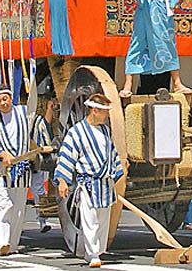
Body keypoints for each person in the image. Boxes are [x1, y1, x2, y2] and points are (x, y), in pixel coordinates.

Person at [54, 93, 124, 268]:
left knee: (102, 220)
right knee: (90, 219)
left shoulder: (106, 130)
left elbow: (112, 152)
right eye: (105, 111)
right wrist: (63, 180)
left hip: (105, 183)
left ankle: (97, 251)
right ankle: (92, 253)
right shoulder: (76, 132)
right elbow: (66, 156)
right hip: (89, 184)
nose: (107, 115)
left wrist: (119, 170)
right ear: (94, 111)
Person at [0, 83, 32, 255]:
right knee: (3, 204)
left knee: (18, 208)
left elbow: (36, 124)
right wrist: (3, 154)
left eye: (5, 99)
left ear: (11, 98)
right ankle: (1, 243)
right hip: (4, 170)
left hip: (22, 168)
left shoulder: (23, 112)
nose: (3, 103)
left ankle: (13, 243)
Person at [30, 97, 55, 233]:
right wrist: (50, 109)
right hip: (28, 156)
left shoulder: (36, 121)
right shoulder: (35, 121)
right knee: (36, 190)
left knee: (38, 190)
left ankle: (42, 221)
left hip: (37, 159)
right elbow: (46, 122)